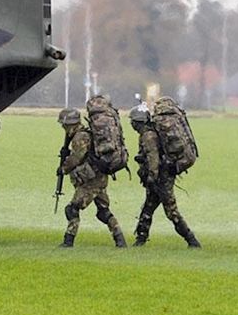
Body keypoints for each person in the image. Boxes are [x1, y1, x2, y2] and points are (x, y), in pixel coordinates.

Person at [130, 104, 200, 248]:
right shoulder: (150, 133)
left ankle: (191, 240)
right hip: (162, 176)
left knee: (171, 211)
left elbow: (153, 158)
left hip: (161, 178)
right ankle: (140, 239)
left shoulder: (148, 136)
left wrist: (151, 176)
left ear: (137, 122)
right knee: (148, 207)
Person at [57, 108, 126, 248]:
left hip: (92, 181)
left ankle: (68, 240)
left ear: (69, 124)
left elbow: (77, 157)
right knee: (103, 212)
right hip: (98, 178)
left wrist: (63, 168)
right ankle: (120, 240)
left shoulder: (79, 137)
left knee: (72, 209)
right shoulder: (86, 134)